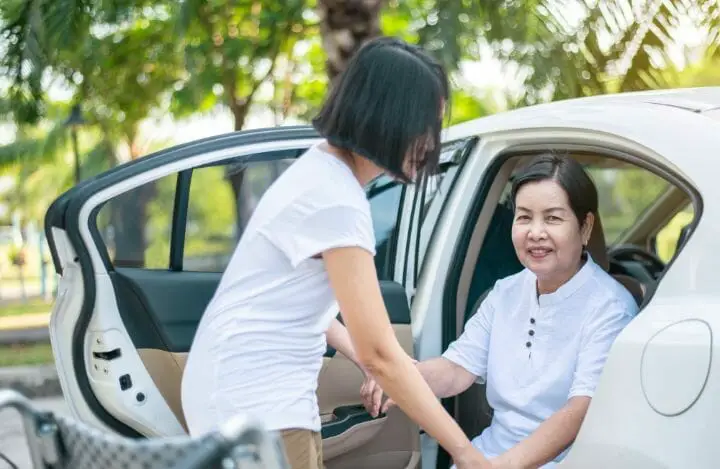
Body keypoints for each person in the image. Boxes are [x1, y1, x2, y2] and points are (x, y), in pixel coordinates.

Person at [181, 37, 493, 469]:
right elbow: (381, 354)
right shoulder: (337, 200)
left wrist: (368, 361)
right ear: (393, 118)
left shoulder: (321, 172)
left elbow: (306, 307)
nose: (431, 142)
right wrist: (465, 451)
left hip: (238, 393)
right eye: (428, 125)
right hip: (259, 405)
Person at [360, 153, 639, 468]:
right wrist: (400, 377)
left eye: (552, 218)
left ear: (585, 227)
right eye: (524, 217)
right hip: (488, 454)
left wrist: (502, 466)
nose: (535, 232)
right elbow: (455, 371)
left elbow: (579, 410)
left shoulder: (611, 307)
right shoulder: (505, 292)